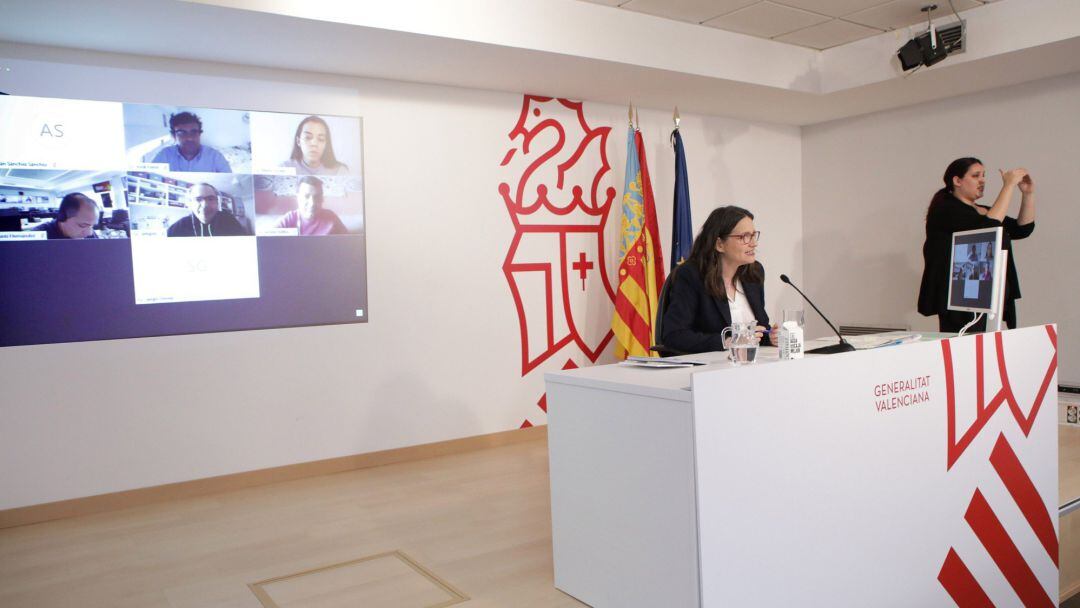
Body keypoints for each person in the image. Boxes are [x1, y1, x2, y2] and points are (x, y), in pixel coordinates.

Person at [917, 157, 1035, 332]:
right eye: (975, 175)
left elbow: (1022, 229)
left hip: (989, 290)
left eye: (984, 175)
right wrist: (1008, 186)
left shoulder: (984, 211)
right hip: (963, 297)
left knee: (988, 349)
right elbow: (988, 228)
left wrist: (1028, 194)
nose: (982, 180)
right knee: (967, 351)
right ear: (957, 181)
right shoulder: (946, 209)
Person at [661, 205, 773, 354]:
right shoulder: (691, 276)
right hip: (708, 369)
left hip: (749, 366)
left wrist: (770, 336)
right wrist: (726, 342)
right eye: (744, 237)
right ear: (720, 244)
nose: (753, 243)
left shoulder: (753, 274)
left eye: (753, 235)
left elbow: (758, 331)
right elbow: (674, 335)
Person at [152, 111, 232, 173]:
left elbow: (229, 181)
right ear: (173, 136)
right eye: (182, 133)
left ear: (200, 134)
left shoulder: (215, 156)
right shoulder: (164, 155)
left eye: (193, 132)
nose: (189, 138)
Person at [167, 183, 248, 237]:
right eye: (198, 199)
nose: (205, 205)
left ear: (217, 202)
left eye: (211, 199)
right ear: (190, 203)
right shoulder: (176, 230)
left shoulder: (230, 221)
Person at [274, 176, 347, 236]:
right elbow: (269, 241)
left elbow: (348, 242)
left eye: (317, 197)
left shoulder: (331, 217)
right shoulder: (289, 219)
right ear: (298, 198)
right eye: (306, 196)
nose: (312, 203)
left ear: (322, 199)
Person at [281, 116, 349, 176]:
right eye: (308, 137)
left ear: (326, 144)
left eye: (321, 139)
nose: (314, 143)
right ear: (298, 141)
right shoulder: (285, 168)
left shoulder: (340, 171)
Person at [33, 193, 99, 239]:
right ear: (63, 217)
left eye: (92, 226)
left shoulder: (90, 232)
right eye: (83, 225)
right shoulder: (37, 235)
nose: (89, 233)